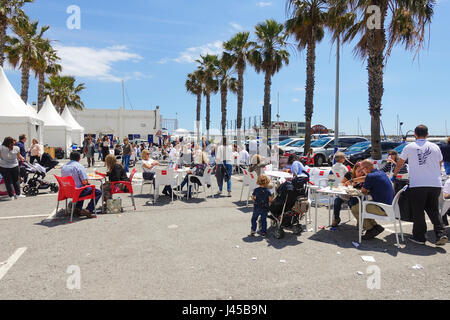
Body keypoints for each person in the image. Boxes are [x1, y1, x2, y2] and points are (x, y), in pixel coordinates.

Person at [393, 125, 447, 246]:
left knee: (418, 211)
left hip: (418, 184)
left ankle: (420, 237)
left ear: (415, 135)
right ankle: (440, 234)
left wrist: (394, 175)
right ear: (427, 134)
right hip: (435, 183)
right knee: (433, 209)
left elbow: (400, 163)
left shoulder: (409, 146)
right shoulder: (435, 147)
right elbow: (440, 162)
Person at [351, 160, 394, 240]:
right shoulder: (380, 173)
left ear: (366, 168)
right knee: (362, 206)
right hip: (390, 206)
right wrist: (353, 180)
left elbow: (363, 192)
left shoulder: (370, 176)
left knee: (355, 208)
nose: (362, 171)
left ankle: (371, 229)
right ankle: (375, 227)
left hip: (382, 208)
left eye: (362, 169)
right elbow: (365, 178)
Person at [61, 151, 102, 218]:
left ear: (70, 158)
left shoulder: (64, 167)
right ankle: (88, 210)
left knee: (83, 187)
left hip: (66, 191)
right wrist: (87, 182)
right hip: (76, 192)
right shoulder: (79, 166)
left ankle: (78, 209)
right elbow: (84, 182)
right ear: (79, 158)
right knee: (98, 192)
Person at [332, 162, 367, 227]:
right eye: (358, 171)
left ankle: (359, 220)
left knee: (352, 202)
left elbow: (364, 190)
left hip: (358, 196)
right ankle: (336, 219)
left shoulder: (364, 177)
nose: (360, 174)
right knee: (337, 201)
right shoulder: (349, 174)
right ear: (354, 170)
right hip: (346, 195)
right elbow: (342, 183)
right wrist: (347, 185)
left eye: (362, 172)